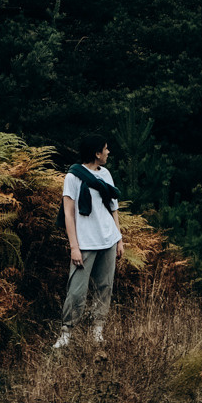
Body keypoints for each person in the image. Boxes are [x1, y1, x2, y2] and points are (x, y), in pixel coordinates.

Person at [53, 133, 123, 348]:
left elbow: (113, 208)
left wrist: (119, 239)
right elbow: (68, 214)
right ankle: (66, 333)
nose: (108, 152)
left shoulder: (106, 174)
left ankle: (97, 331)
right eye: (105, 148)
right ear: (96, 153)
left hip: (108, 239)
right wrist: (74, 247)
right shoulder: (73, 177)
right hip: (85, 243)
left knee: (104, 287)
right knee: (76, 291)